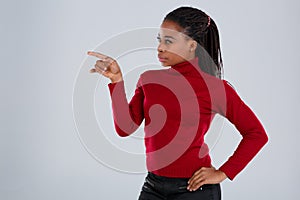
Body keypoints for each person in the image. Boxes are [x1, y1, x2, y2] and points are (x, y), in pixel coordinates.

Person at [88, 6, 268, 200]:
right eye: (159, 40)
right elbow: (125, 128)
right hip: (153, 186)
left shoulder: (216, 88)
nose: (160, 47)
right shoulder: (148, 80)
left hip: (194, 189)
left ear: (192, 45)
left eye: (169, 41)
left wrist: (223, 173)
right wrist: (116, 81)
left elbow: (257, 134)